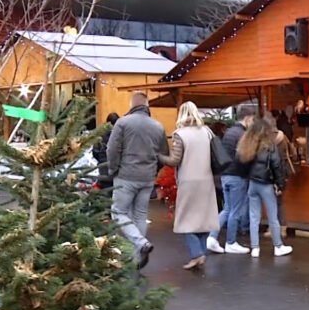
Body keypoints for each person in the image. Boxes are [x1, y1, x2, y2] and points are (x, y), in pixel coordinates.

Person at [106, 91, 168, 270]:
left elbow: (112, 149)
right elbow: (163, 153)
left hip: (126, 175)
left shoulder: (123, 123)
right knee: (140, 215)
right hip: (147, 177)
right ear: (147, 105)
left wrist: (113, 169)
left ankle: (141, 243)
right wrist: (154, 171)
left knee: (118, 212)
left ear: (132, 105)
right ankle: (137, 257)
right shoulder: (158, 126)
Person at [159, 102, 220, 271]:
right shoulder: (207, 132)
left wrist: (159, 156)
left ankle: (196, 254)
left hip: (188, 181)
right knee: (203, 220)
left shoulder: (180, 134)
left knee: (186, 221)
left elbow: (175, 160)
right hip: (207, 180)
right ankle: (200, 252)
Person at [237, 117, 292, 258]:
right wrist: (280, 184)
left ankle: (255, 248)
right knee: (273, 216)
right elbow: (277, 166)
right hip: (266, 184)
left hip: (252, 184)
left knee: (254, 216)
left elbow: (242, 164)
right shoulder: (270, 146)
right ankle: (278, 246)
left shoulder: (248, 145)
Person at [207, 102, 258, 255]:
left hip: (225, 175)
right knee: (235, 210)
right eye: (253, 120)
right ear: (248, 118)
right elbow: (245, 157)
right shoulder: (243, 135)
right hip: (238, 176)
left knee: (227, 209)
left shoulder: (229, 132)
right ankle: (231, 242)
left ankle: (212, 237)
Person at [92, 112, 120, 189]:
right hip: (117, 172)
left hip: (103, 170)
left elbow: (95, 152)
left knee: (105, 194)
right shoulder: (121, 136)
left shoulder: (101, 136)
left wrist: (102, 160)